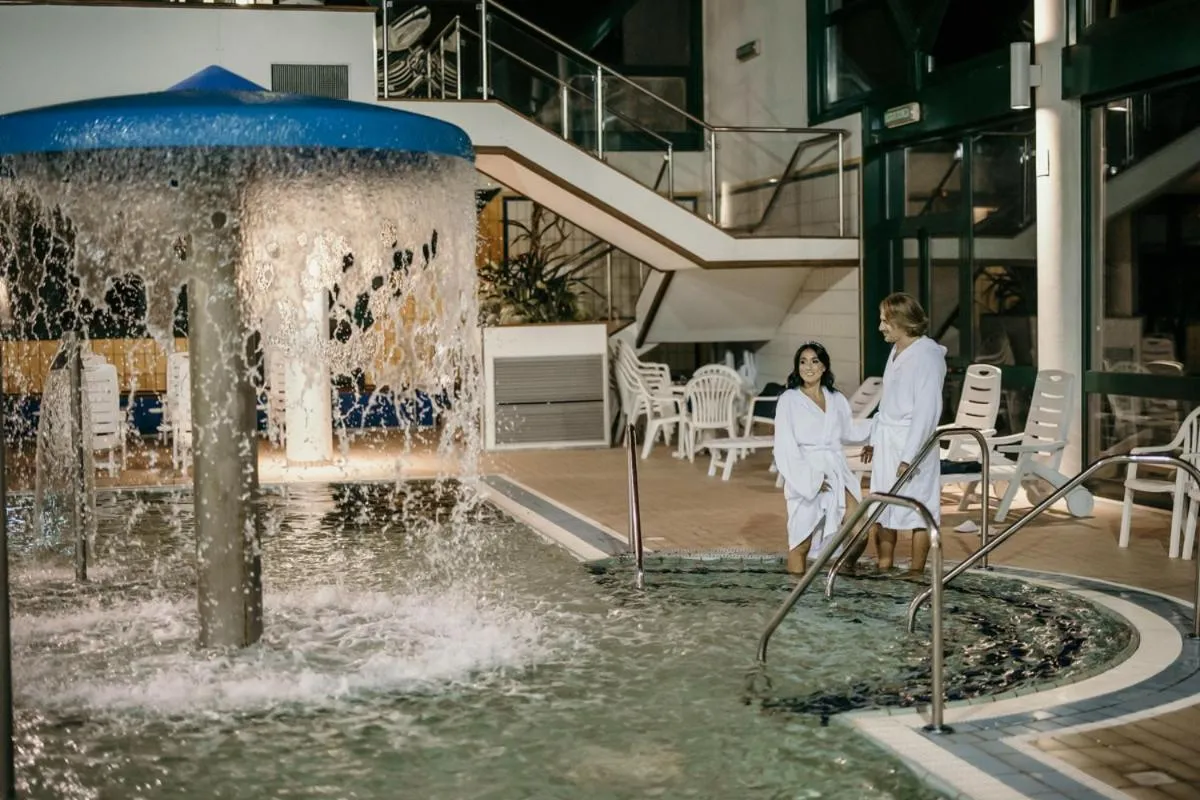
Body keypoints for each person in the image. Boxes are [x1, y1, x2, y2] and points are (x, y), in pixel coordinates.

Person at [858, 292, 947, 575]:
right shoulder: (896, 350)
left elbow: (927, 410)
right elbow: (888, 399)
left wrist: (910, 456)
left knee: (919, 508)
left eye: (886, 321)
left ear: (904, 322)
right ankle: (885, 567)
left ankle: (916, 573)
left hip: (913, 443)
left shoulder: (928, 357)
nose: (881, 327)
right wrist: (874, 438)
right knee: (882, 505)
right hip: (888, 439)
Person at [773, 342, 873, 575]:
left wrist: (876, 433)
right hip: (805, 473)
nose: (808, 367)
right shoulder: (789, 399)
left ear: (824, 366)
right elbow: (784, 448)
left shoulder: (835, 398)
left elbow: (849, 431)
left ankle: (843, 570)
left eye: (814, 361)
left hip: (836, 471)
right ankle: (794, 598)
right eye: (803, 362)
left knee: (861, 529)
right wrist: (812, 482)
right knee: (801, 543)